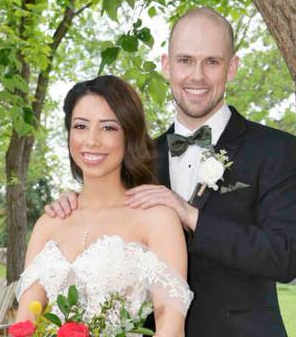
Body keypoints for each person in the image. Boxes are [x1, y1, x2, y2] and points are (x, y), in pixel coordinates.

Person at [47, 7, 296, 337]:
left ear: (232, 68)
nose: (196, 76)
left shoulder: (274, 149)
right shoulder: (138, 159)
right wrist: (70, 206)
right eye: (185, 60)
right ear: (166, 65)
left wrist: (190, 215)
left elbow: (286, 258)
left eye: (211, 62)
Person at [14, 75, 192, 337]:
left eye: (108, 128)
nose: (91, 140)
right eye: (81, 126)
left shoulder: (156, 219)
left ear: (129, 134)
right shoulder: (49, 223)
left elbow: (171, 323)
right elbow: (25, 322)